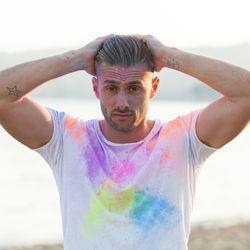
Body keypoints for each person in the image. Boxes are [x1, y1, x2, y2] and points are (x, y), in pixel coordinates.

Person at [0, 34, 249, 250]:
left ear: (153, 88)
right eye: (111, 88)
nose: (122, 102)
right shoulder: (67, 140)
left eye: (133, 88)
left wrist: (170, 56)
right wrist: (76, 59)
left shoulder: (183, 139)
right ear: (96, 88)